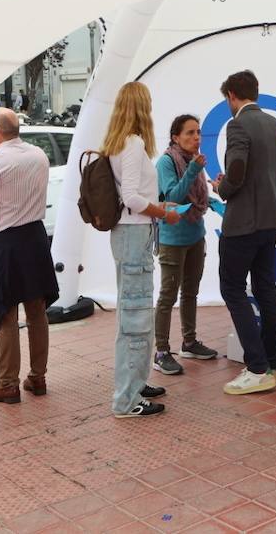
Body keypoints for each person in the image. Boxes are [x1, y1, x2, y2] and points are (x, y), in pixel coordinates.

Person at [0, 107, 60, 404]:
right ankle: (38, 376)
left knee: (5, 311)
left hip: (6, 242)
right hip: (35, 237)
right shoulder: (38, 155)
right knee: (37, 311)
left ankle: (7, 383)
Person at [103, 82, 182, 417]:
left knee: (134, 314)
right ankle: (126, 399)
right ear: (140, 107)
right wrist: (164, 212)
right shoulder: (133, 144)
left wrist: (158, 205)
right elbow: (132, 198)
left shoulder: (116, 143)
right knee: (135, 320)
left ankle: (136, 383)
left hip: (129, 235)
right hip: (135, 237)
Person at [214, 70, 276, 395]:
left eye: (227, 100)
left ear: (232, 95)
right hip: (272, 219)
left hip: (244, 221)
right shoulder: (275, 124)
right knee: (264, 288)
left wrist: (223, 187)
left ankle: (257, 367)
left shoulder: (237, 124)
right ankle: (272, 365)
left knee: (232, 288)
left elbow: (236, 168)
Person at [152, 114, 218, 376]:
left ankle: (189, 343)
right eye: (189, 133)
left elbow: (196, 197)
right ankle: (161, 351)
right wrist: (193, 171)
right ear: (175, 137)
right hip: (172, 239)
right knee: (168, 296)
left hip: (195, 235)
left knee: (190, 292)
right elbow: (172, 198)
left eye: (198, 132)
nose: (196, 138)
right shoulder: (167, 162)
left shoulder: (194, 162)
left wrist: (212, 200)